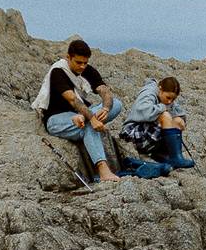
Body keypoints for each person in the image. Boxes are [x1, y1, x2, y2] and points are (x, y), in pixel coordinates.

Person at [32, 39, 125, 182]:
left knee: (116, 104)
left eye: (85, 63)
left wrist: (106, 108)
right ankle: (103, 171)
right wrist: (92, 119)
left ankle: (83, 118)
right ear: (68, 57)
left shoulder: (87, 70)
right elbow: (72, 99)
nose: (82, 66)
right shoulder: (58, 72)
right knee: (88, 126)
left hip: (79, 115)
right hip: (57, 119)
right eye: (78, 62)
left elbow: (104, 91)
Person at [122, 73, 195, 170]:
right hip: (132, 132)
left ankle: (166, 155)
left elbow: (180, 113)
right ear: (160, 89)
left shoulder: (167, 99)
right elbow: (145, 112)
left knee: (177, 120)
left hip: (147, 133)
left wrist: (180, 120)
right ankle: (174, 158)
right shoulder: (148, 92)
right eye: (168, 97)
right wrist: (163, 108)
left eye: (173, 99)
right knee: (165, 116)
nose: (170, 101)